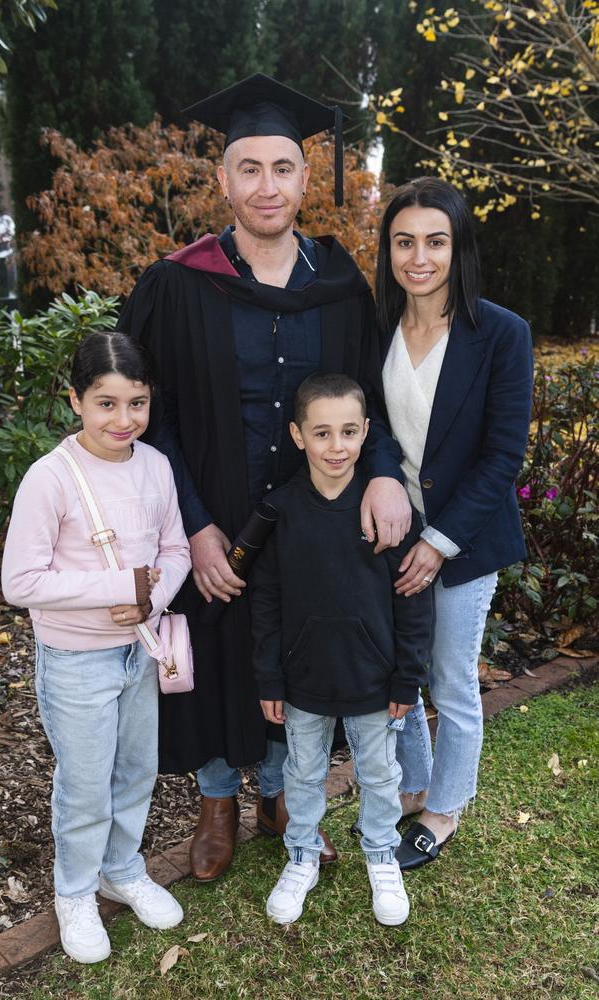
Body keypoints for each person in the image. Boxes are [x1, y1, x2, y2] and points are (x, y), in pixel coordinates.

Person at [118, 73, 411, 883]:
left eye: (283, 168)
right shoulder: (178, 283)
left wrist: (383, 473)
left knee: (300, 650)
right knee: (210, 652)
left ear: (306, 179)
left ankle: (282, 794)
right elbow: (151, 418)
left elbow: (376, 406)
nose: (267, 186)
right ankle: (217, 802)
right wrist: (194, 526)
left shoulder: (342, 288)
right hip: (207, 514)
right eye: (249, 169)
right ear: (223, 180)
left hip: (313, 523)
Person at [1, 332, 191, 963]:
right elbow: (20, 581)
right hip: (76, 658)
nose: (123, 419)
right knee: (86, 784)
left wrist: (152, 602)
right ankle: (75, 892)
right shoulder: (50, 478)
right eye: (106, 403)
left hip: (141, 648)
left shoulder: (155, 466)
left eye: (136, 403)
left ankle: (122, 868)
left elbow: (175, 551)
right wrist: (116, 587)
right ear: (75, 400)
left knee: (136, 769)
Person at [375, 177, 533, 869]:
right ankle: (412, 789)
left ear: (457, 246)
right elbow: (373, 425)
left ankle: (444, 808)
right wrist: (385, 492)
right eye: (404, 241)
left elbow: (504, 455)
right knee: (397, 670)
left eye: (435, 241)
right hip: (388, 532)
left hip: (464, 540)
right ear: (388, 249)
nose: (419, 257)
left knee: (448, 676)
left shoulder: (500, 333)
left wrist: (438, 543)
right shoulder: (377, 325)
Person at [251, 373, 432, 925]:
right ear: (297, 435)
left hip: (375, 681)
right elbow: (266, 603)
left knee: (380, 775)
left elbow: (413, 605)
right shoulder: (279, 513)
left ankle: (381, 856)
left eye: (349, 432)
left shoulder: (389, 512)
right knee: (302, 774)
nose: (337, 446)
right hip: (303, 676)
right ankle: (301, 854)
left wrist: (407, 678)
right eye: (322, 433)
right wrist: (268, 679)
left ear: (366, 432)